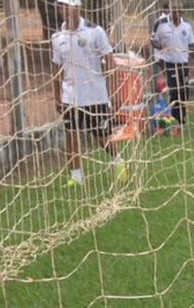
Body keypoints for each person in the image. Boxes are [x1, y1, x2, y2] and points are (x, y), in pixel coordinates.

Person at [50, 0, 126, 187]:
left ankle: (118, 163)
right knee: (71, 135)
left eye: (67, 6)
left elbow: (110, 63)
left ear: (78, 8)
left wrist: (115, 94)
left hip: (95, 95)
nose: (63, 10)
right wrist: (57, 96)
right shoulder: (57, 37)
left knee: (102, 136)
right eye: (60, 6)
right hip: (70, 96)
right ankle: (76, 177)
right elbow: (56, 69)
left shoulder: (95, 31)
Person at [150, 2, 194, 131]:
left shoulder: (187, 26)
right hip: (168, 62)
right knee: (174, 90)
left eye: (178, 11)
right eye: (173, 11)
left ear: (182, 12)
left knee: (184, 91)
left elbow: (191, 46)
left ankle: (181, 119)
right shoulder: (162, 24)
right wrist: (159, 46)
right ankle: (175, 119)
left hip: (183, 63)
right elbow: (152, 40)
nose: (175, 14)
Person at [150, 2, 169, 74]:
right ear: (164, 10)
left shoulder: (177, 21)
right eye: (168, 8)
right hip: (162, 56)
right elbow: (152, 40)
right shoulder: (160, 22)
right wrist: (160, 46)